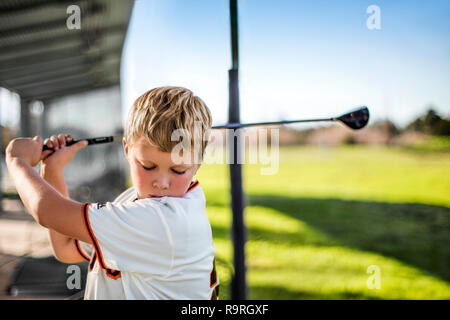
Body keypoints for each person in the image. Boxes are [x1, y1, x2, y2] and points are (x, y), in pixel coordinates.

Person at [5, 86, 219, 300]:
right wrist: (53, 168)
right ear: (127, 150)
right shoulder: (131, 200)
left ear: (197, 164)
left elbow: (47, 211)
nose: (161, 183)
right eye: (147, 166)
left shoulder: (163, 221)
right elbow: (66, 248)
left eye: (178, 170)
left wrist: (17, 161)